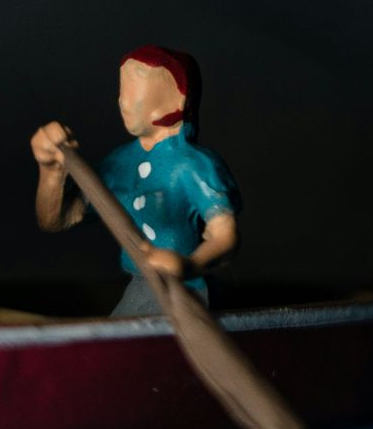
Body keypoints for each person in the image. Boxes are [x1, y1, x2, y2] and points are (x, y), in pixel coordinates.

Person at [30, 46, 241, 315]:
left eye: (136, 90)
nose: (124, 102)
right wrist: (50, 171)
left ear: (178, 99)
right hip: (142, 286)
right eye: (123, 91)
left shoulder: (194, 165)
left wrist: (188, 265)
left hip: (188, 292)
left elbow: (226, 236)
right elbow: (56, 219)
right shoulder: (119, 163)